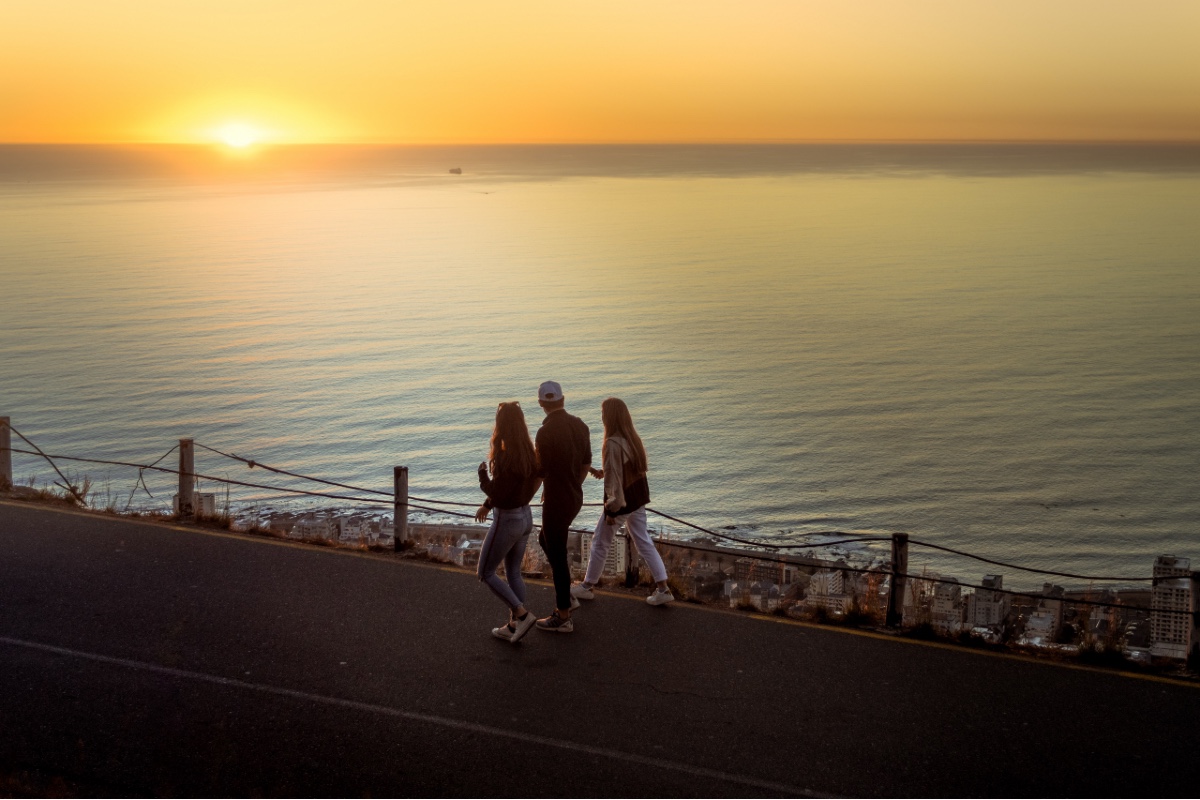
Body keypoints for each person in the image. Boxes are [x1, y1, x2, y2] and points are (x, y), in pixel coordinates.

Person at [572, 397, 674, 606]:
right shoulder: (631, 438)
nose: (601, 418)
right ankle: (663, 588)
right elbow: (622, 471)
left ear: (609, 417)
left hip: (623, 502)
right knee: (643, 541)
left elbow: (614, 482)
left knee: (600, 542)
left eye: (603, 414)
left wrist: (611, 511)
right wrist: (604, 471)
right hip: (637, 499)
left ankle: (587, 586)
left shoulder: (611, 443)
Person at [474, 401, 542, 643]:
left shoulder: (505, 456)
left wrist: (482, 475)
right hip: (525, 517)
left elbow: (499, 491)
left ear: (500, 425)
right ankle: (513, 626)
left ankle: (522, 615)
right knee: (513, 572)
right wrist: (488, 504)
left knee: (485, 572)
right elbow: (513, 489)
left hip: (507, 519)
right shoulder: (529, 452)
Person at [532, 381, 592, 633]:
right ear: (563, 399)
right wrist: (573, 485)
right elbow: (586, 464)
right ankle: (567, 597)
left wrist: (523, 497)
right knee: (545, 539)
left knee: (556, 554)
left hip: (556, 499)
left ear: (541, 404)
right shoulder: (580, 425)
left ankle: (563, 616)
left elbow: (540, 472)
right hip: (574, 496)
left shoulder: (544, 433)